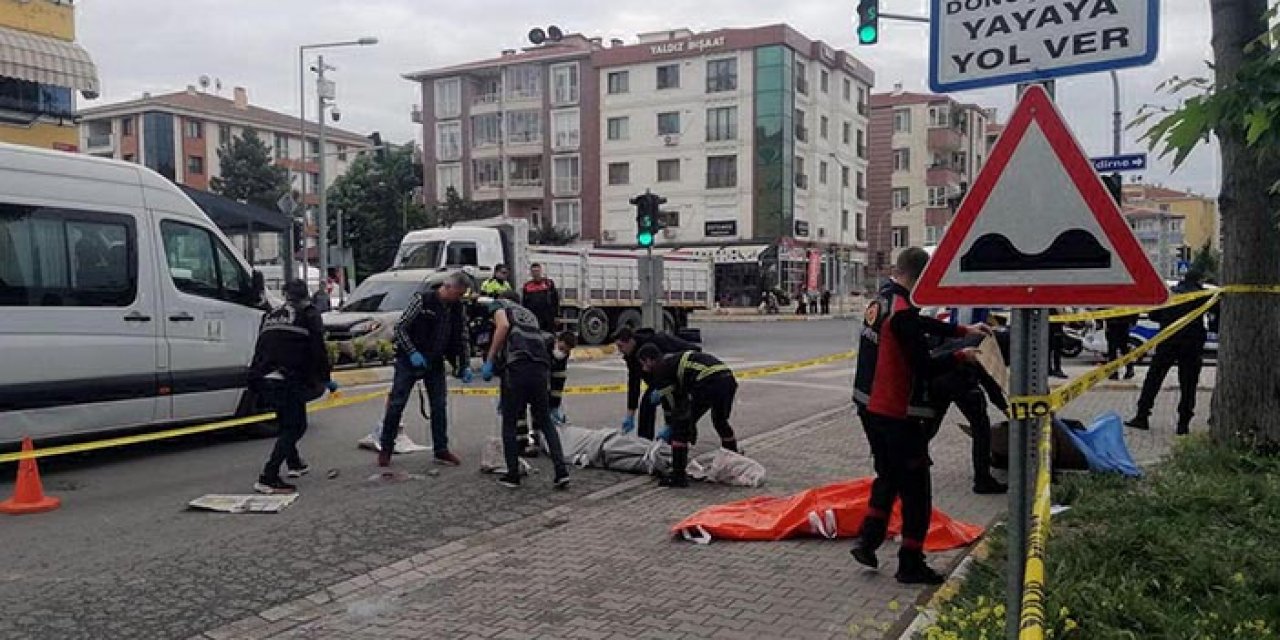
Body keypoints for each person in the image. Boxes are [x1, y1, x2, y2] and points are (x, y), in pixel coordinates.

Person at [849, 247, 987, 585]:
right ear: (921, 277)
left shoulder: (881, 301)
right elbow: (924, 366)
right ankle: (910, 563)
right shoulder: (902, 313)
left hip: (868, 407)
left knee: (888, 475)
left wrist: (960, 331)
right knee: (917, 490)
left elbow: (915, 324)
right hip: (895, 412)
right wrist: (961, 355)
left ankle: (868, 542)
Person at [249, 280, 337, 494]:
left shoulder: (271, 314)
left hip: (264, 376)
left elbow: (260, 347)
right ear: (306, 295)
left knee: (286, 422)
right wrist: (325, 378)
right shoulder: (308, 314)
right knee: (296, 427)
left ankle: (295, 463)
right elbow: (318, 349)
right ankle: (268, 476)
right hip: (288, 377)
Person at [377, 272, 473, 468]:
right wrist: (412, 352)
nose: (460, 298)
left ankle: (441, 449)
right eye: (458, 293)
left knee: (439, 406)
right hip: (409, 360)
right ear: (447, 287)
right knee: (397, 404)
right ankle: (386, 449)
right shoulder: (422, 300)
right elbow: (400, 328)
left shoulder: (457, 308)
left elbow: (461, 337)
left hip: (435, 361)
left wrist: (464, 365)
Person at [480, 295, 570, 489]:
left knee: (509, 422)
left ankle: (513, 476)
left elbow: (502, 327)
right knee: (545, 421)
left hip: (517, 368)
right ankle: (561, 471)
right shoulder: (529, 315)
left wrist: (490, 359)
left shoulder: (500, 305)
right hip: (540, 370)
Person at [637, 345, 741, 488]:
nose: (644, 369)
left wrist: (671, 426)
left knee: (680, 427)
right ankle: (734, 460)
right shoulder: (671, 361)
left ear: (649, 360)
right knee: (720, 421)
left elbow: (671, 403)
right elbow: (680, 399)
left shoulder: (661, 370)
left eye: (643, 364)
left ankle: (678, 476)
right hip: (727, 379)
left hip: (708, 380)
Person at [1126, 269, 1215, 435]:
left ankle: (1142, 415)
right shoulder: (1203, 296)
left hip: (1168, 340)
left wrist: (1169, 319)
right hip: (1192, 345)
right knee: (1188, 384)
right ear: (1199, 281)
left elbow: (1153, 315)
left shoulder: (1170, 294)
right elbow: (1216, 314)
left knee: (1154, 378)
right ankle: (1183, 423)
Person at [929, 334, 1008, 495]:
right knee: (981, 429)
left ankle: (905, 466)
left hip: (936, 378)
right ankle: (982, 480)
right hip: (959, 379)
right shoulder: (987, 350)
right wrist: (1006, 409)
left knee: (930, 426)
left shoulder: (978, 338)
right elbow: (990, 382)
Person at [615, 326, 701, 440]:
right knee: (647, 403)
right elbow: (633, 384)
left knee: (676, 408)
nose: (620, 350)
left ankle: (680, 435)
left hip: (677, 378)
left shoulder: (657, 342)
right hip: (658, 381)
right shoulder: (631, 356)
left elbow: (688, 352)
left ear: (630, 341)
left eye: (621, 346)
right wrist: (630, 415)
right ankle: (644, 441)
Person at [521, 263, 560, 331]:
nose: (536, 273)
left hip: (548, 317)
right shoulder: (527, 286)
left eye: (537, 271)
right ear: (531, 273)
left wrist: (557, 316)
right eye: (533, 271)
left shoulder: (549, 283)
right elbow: (524, 303)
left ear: (540, 271)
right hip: (534, 317)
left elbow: (555, 300)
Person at [1105, 314, 1137, 380]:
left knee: (1117, 349)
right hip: (1116, 323)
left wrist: (1133, 320)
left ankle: (1126, 370)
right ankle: (1126, 370)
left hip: (1118, 323)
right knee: (1120, 349)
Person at [1047, 309, 1068, 379]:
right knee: (1057, 349)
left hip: (1049, 324)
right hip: (1056, 325)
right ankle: (1057, 369)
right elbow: (1059, 308)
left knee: (1048, 348)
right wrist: (1065, 318)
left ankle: (1048, 369)